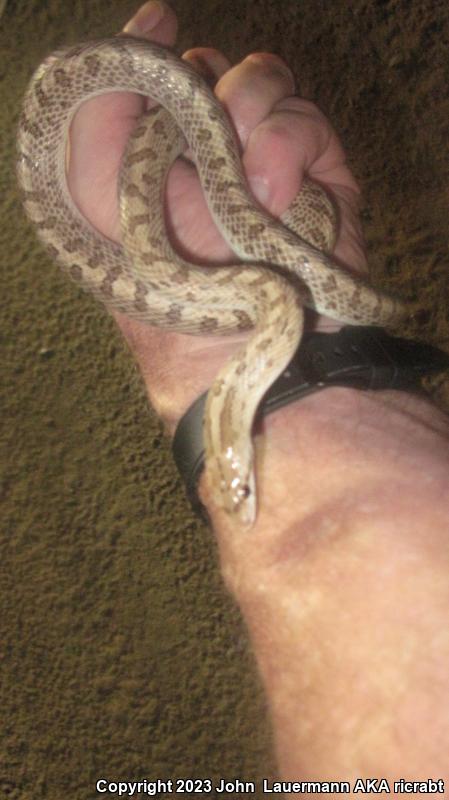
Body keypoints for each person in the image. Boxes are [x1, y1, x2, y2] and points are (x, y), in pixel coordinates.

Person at [68, 0, 449, 783]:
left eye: (238, 480)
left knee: (223, 127)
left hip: (265, 306)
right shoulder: (260, 304)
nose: (241, 492)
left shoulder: (263, 306)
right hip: (264, 306)